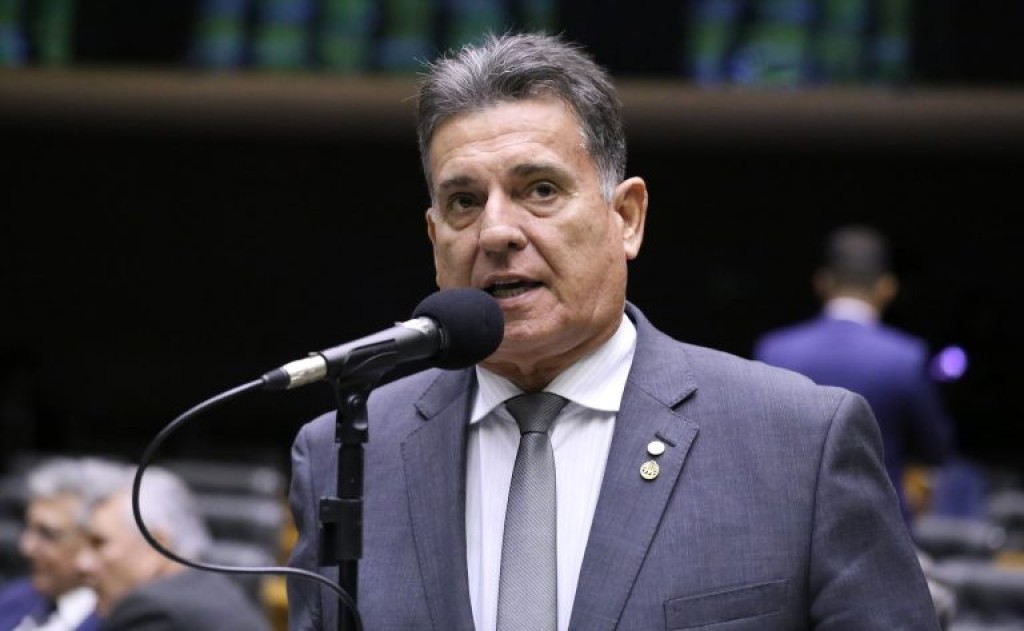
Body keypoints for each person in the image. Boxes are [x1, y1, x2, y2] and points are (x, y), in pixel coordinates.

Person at [286, 32, 942, 630]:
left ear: (626, 217)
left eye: (540, 190)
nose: (496, 231)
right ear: (435, 240)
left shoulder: (800, 442)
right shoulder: (345, 454)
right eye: (464, 201)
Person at [752, 224, 957, 525]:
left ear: (822, 282)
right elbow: (935, 449)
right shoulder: (905, 357)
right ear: (887, 287)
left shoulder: (775, 351)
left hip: (790, 526)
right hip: (879, 528)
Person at [73, 465, 272, 631]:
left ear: (156, 543)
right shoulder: (215, 590)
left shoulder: (151, 612)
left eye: (99, 543)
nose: (82, 564)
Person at [0, 456, 124, 631]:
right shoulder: (14, 598)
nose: (27, 547)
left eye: (47, 534)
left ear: (92, 540)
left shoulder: (120, 619)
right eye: (28, 528)